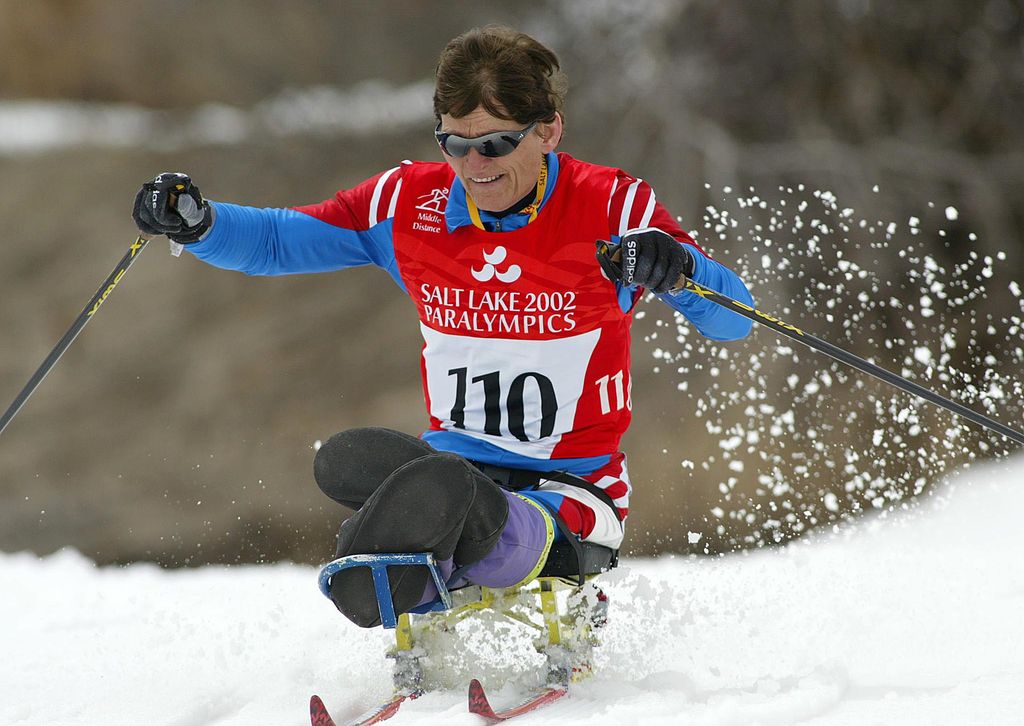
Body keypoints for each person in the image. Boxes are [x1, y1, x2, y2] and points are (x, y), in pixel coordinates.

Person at [132, 26, 755, 627]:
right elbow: (276, 241)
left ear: (548, 131)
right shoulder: (407, 204)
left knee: (464, 505)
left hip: (571, 489)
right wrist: (198, 221)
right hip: (451, 463)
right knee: (345, 460)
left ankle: (412, 554)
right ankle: (421, 537)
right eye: (455, 144)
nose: (474, 165)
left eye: (495, 144)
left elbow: (734, 323)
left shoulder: (613, 207)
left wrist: (680, 270)